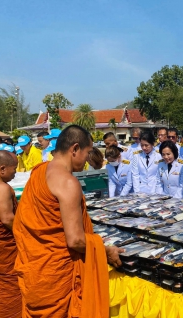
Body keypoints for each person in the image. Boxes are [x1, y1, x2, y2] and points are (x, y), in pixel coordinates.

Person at [13, 125, 123, 317]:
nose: (88, 157)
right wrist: (106, 250)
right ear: (74, 149)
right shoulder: (68, 182)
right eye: (87, 152)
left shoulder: (39, 171)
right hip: (56, 277)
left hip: (36, 270)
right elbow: (76, 241)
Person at [0, 150, 21, 317]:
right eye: (14, 169)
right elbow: (8, 220)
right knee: (8, 287)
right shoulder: (1, 188)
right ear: (2, 169)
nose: (15, 173)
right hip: (3, 250)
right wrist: (27, 234)